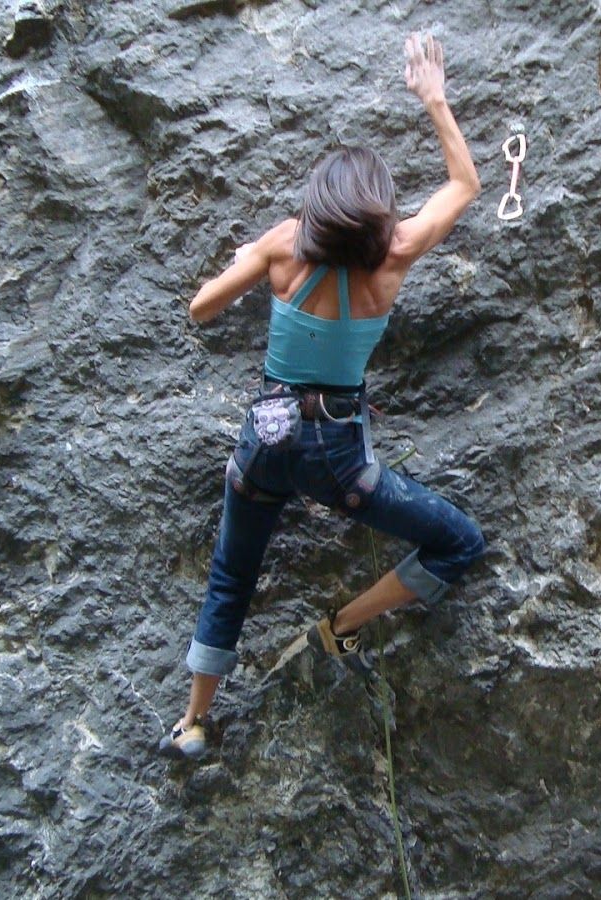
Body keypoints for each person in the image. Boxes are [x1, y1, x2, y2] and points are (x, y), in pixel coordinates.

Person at [161, 34, 487, 759]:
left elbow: (201, 309)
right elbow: (464, 185)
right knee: (460, 543)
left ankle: (192, 723)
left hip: (264, 444)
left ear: (319, 208)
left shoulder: (285, 244)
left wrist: (255, 256)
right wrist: (434, 99)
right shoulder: (396, 253)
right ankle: (340, 627)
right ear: (375, 213)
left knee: (231, 576)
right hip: (340, 462)